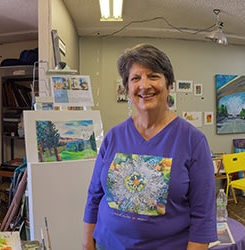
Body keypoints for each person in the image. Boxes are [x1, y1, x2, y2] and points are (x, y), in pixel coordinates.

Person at [83, 44, 217, 250]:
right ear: (127, 88)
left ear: (169, 84)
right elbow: (95, 195)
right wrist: (87, 244)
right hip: (107, 244)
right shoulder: (113, 136)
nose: (144, 85)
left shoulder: (193, 140)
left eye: (153, 76)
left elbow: (204, 215)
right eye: (135, 78)